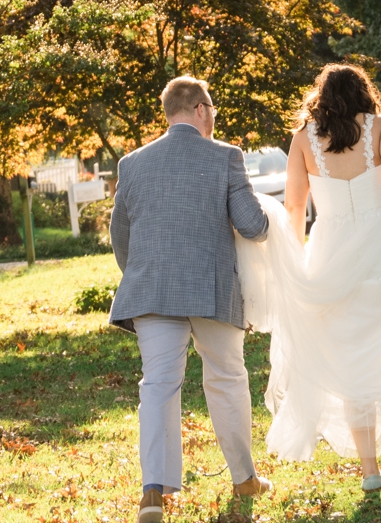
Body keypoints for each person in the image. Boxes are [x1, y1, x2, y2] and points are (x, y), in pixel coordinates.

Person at [237, 62, 381, 492]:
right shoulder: (380, 127)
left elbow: (294, 207)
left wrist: (301, 256)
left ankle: (369, 471)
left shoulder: (303, 140)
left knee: (351, 351)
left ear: (319, 97)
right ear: (364, 92)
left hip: (332, 246)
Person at [110, 75, 273, 523]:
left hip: (151, 289)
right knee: (226, 377)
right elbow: (252, 226)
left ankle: (152, 493)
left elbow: (119, 236)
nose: (214, 117)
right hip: (211, 288)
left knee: (158, 385)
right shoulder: (226, 157)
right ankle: (244, 477)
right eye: (213, 109)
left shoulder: (132, 163)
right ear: (200, 109)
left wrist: (145, 275)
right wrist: (266, 222)